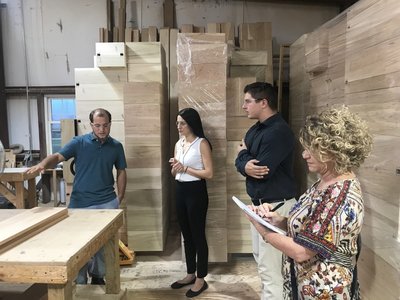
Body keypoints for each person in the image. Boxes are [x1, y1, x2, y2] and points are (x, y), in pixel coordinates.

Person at [248, 106, 373, 299]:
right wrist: (278, 220)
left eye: (312, 149)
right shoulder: (325, 181)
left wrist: (262, 229)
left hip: (324, 291)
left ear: (334, 151)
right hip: (306, 286)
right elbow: (312, 226)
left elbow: (301, 251)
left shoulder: (340, 197)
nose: (304, 155)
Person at [27, 108, 127, 285]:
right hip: (80, 203)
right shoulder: (79, 142)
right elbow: (58, 156)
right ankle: (79, 279)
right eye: (97, 126)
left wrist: (119, 197)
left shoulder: (116, 147)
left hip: (106, 202)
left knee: (104, 246)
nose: (102, 129)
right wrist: (43, 164)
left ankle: (98, 276)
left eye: (105, 125)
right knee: (78, 245)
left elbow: (121, 171)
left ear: (110, 125)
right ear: (91, 125)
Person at [235, 81, 297, 300]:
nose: (244, 106)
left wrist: (243, 157)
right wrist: (244, 162)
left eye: (248, 101)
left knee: (271, 271)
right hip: (260, 206)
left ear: (263, 102)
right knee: (263, 264)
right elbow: (242, 161)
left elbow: (262, 170)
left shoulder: (278, 132)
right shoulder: (255, 130)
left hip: (276, 206)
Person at [169, 107, 213, 298]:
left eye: (182, 123)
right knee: (186, 235)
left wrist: (185, 168)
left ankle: (201, 279)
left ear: (191, 124)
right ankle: (190, 273)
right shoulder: (178, 144)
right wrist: (176, 168)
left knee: (198, 235)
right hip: (180, 190)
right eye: (177, 122)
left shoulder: (202, 143)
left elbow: (209, 173)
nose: (178, 126)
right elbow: (174, 173)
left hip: (196, 191)